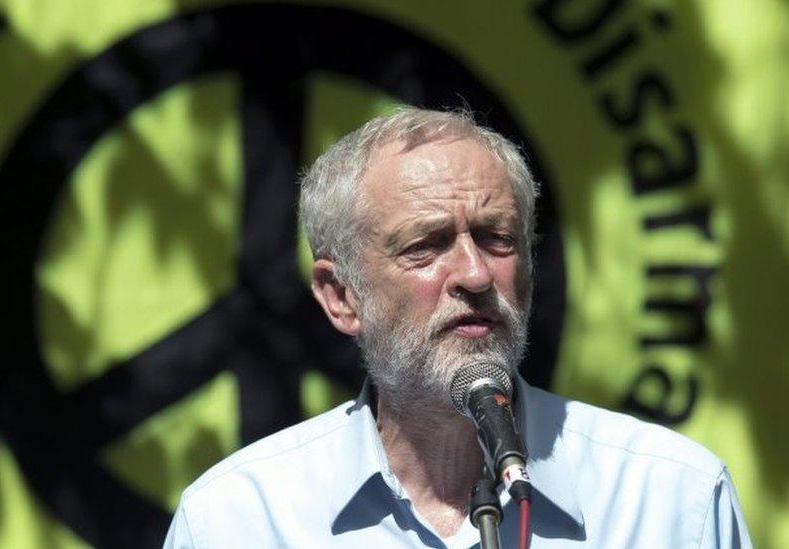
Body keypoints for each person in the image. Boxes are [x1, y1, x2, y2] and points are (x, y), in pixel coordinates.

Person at [163, 107, 751, 548]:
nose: (474, 273)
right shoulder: (238, 519)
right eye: (426, 246)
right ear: (341, 297)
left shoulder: (673, 499)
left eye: (498, 239)